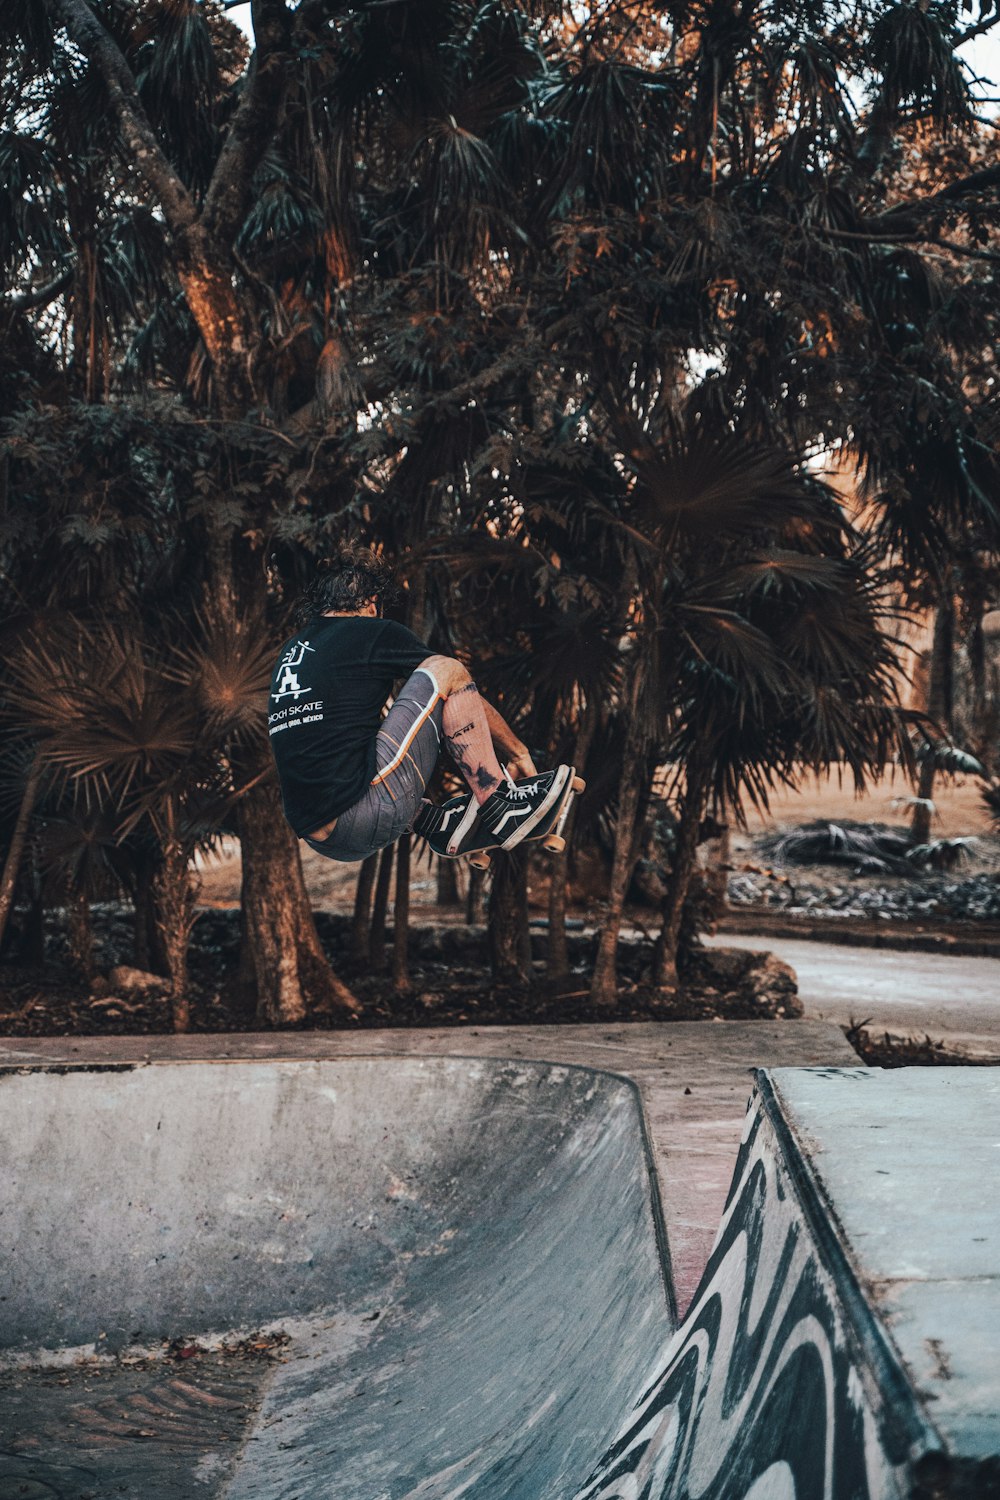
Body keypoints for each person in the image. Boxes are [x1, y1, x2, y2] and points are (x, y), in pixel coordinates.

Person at [268, 545, 571, 863]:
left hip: (322, 837)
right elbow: (456, 687)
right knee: (446, 670)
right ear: (372, 602)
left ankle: (434, 823)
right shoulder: (373, 632)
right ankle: (499, 805)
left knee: (353, 738)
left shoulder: (291, 653)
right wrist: (517, 751)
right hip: (362, 816)